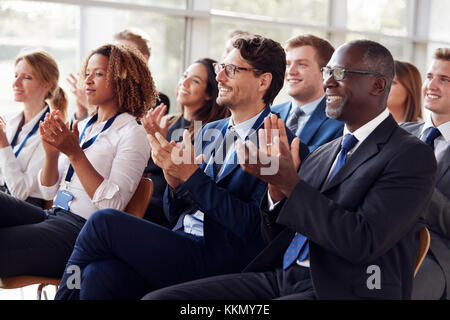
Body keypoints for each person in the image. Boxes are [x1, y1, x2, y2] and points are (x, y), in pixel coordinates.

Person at [143, 40, 437, 300]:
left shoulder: (411, 155)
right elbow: (272, 234)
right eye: (326, 73)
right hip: (282, 276)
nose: (328, 83)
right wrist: (276, 193)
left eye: (340, 74)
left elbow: (362, 241)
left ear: (378, 85)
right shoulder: (325, 152)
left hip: (340, 287)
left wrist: (291, 185)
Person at [54, 35, 309, 300]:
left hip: (223, 261)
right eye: (222, 67)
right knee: (99, 273)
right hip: (183, 243)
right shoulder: (210, 130)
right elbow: (175, 213)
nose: (220, 76)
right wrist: (175, 183)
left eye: (231, 70)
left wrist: (191, 178)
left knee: (102, 222)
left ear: (263, 81)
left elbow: (256, 231)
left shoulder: (280, 145)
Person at [0, 44, 155, 280]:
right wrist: (51, 156)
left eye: (99, 74)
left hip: (81, 232)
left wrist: (75, 154)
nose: (89, 80)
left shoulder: (132, 133)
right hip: (54, 216)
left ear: (123, 80)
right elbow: (49, 189)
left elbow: (112, 207)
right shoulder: (84, 125)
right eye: (88, 73)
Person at [141, 58, 229, 225]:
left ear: (209, 93)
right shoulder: (167, 121)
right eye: (184, 76)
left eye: (195, 81)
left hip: (166, 208)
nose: (184, 83)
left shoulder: (210, 133)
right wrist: (152, 139)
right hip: (145, 196)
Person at [401, 48, 450, 300]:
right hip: (379, 240)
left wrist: (419, 185)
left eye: (445, 79)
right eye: (430, 76)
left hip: (436, 256)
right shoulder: (397, 133)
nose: (431, 85)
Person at [0, 48, 67, 209]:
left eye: (26, 78)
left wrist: (3, 142)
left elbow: (20, 193)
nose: (16, 83)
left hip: (25, 206)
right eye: (16, 76)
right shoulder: (8, 120)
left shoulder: (51, 131)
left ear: (47, 84)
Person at [67, 28, 169, 122]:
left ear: (143, 60)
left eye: (126, 53)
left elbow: (134, 131)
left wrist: (92, 107)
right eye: (115, 53)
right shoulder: (103, 91)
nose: (118, 59)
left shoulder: (158, 101)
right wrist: (81, 112)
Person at [271, 34, 344, 152]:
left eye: (301, 64)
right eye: (288, 64)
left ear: (325, 73)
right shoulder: (270, 114)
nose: (291, 71)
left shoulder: (340, 123)